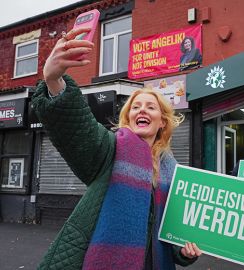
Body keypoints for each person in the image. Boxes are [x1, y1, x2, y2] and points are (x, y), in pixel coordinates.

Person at [32, 27, 201, 269]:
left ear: (162, 121)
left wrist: (185, 253)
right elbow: (79, 129)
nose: (142, 110)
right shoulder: (111, 149)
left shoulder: (174, 172)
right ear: (128, 118)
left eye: (150, 107)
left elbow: (174, 237)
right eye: (135, 107)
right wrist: (53, 80)